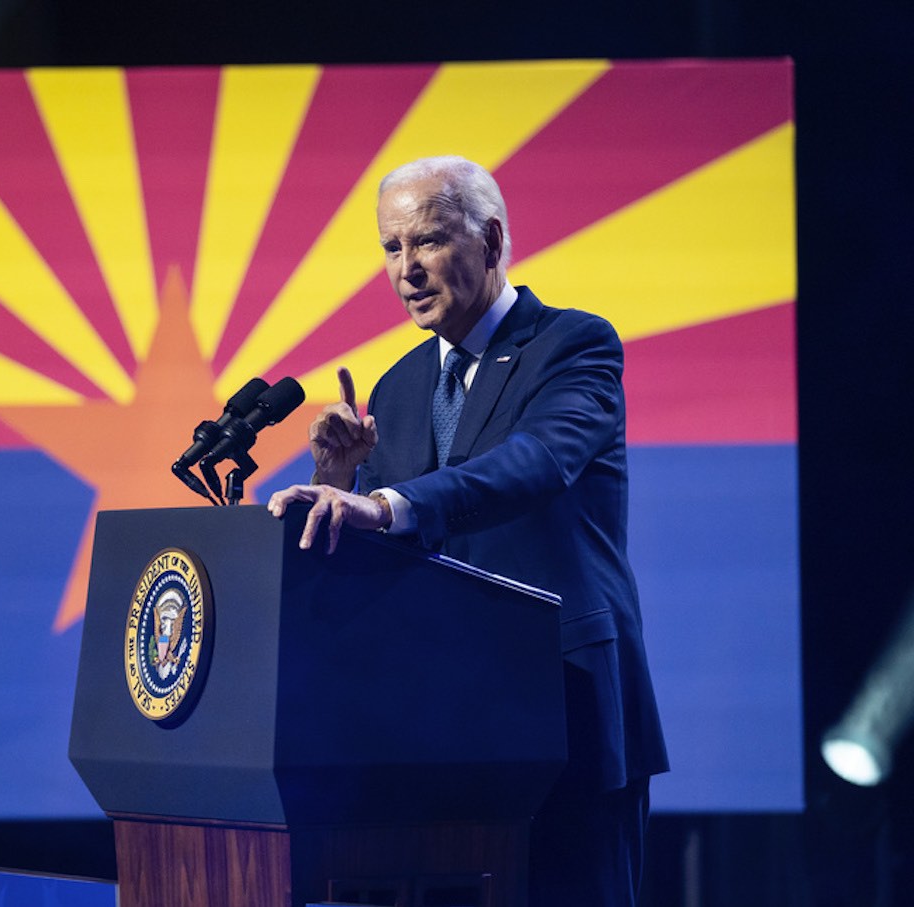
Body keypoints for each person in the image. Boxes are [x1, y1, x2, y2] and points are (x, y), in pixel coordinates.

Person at [267, 156, 669, 906]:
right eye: (391, 248)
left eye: (425, 241)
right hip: (438, 734)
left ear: (490, 239)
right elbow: (388, 556)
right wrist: (338, 483)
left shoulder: (573, 345)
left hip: (565, 711)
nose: (406, 269)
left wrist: (383, 502)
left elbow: (534, 464)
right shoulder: (399, 386)